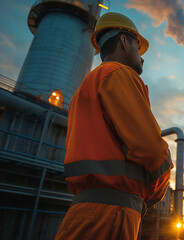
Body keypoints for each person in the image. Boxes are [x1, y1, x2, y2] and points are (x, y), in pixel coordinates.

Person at [55, 12, 172, 240]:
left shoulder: (85, 88)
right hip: (112, 215)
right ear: (124, 41)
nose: (142, 57)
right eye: (138, 48)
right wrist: (153, 194)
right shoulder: (118, 74)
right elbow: (152, 150)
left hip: (83, 211)